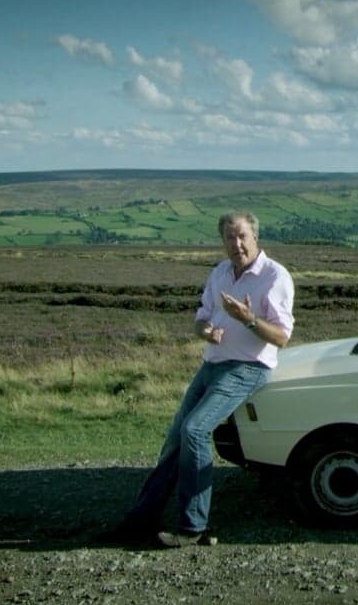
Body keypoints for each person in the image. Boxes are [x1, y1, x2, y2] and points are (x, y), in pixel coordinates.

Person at [117, 211, 294, 547]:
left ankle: (192, 527)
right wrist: (206, 330)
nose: (236, 244)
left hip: (247, 367)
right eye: (229, 237)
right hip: (211, 365)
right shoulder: (220, 273)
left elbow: (282, 337)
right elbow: (200, 316)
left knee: (195, 430)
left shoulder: (275, 276)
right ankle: (141, 518)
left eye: (242, 236)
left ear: (255, 237)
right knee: (175, 440)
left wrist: (247, 319)